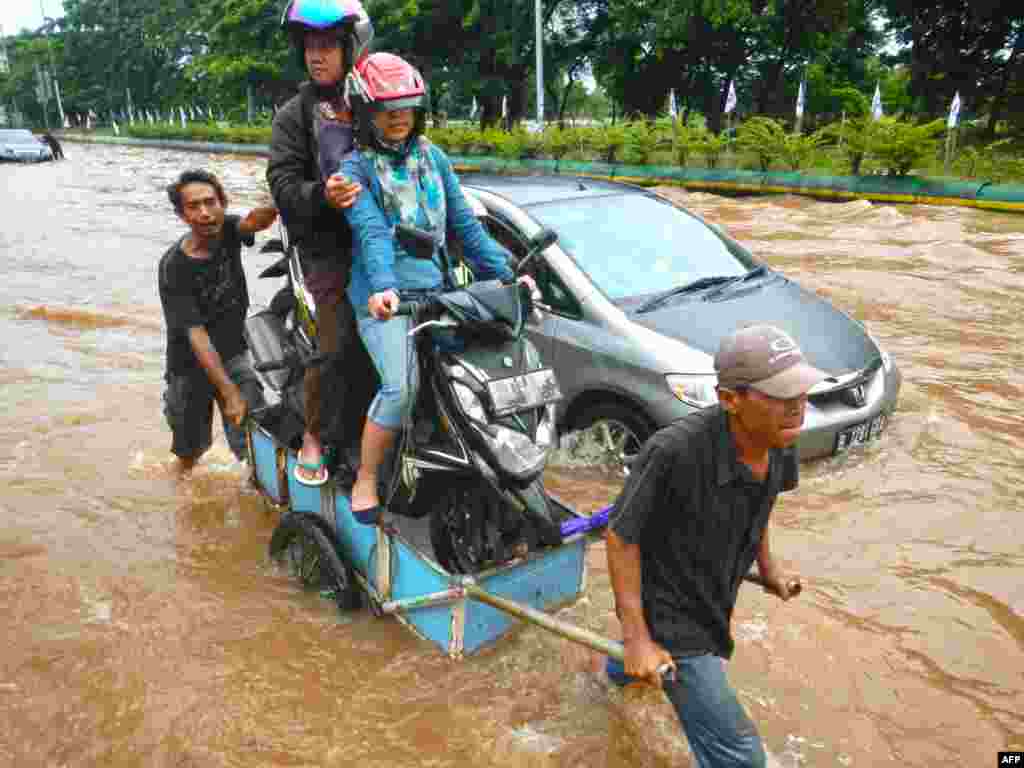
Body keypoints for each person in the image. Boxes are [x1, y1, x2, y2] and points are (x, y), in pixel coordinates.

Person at [605, 324, 827, 768]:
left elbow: (760, 507)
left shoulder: (780, 439)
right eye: (782, 396)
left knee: (637, 669)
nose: (797, 407)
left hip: (711, 589)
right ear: (730, 400)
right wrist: (637, 637)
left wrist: (769, 568)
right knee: (741, 757)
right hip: (672, 610)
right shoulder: (672, 452)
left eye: (801, 393)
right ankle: (632, 655)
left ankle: (607, 678)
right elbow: (620, 537)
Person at [340, 52, 527, 523]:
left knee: (485, 370)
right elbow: (372, 233)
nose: (398, 116)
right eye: (387, 108)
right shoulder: (355, 169)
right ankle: (366, 477)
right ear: (366, 113)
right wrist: (384, 288)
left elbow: (465, 225)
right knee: (400, 389)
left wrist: (506, 275)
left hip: (440, 290)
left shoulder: (434, 158)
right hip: (385, 301)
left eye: (406, 106)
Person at [266, 0, 375, 486]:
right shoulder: (294, 115)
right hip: (327, 247)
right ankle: (315, 435)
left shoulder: (374, 99)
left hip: (382, 240)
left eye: (328, 45)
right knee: (334, 346)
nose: (318, 56)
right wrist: (323, 194)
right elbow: (283, 186)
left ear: (350, 47)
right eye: (310, 47)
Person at [159, 169, 278, 474]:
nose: (205, 213)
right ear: (181, 214)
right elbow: (195, 335)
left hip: (233, 352)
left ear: (222, 203)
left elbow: (253, 222)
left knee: (255, 442)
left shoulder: (227, 228)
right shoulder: (174, 266)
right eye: (194, 206)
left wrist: (279, 198)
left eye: (211, 203)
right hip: (189, 365)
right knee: (190, 452)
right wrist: (228, 393)